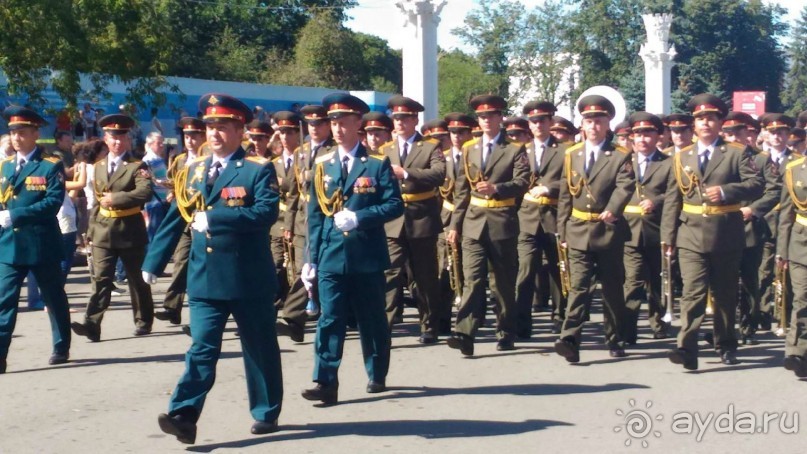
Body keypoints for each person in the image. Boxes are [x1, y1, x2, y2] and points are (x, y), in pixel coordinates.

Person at [143, 93, 283, 442]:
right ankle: (184, 414)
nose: (215, 134)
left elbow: (265, 213)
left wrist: (217, 217)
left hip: (246, 276)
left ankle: (265, 410)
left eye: (223, 127)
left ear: (240, 131)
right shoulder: (192, 170)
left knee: (259, 347)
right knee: (202, 348)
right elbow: (176, 218)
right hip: (205, 277)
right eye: (211, 127)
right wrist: (153, 262)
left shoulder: (257, 170)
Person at [301, 93, 403, 405]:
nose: (338, 128)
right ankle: (325, 382)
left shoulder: (376, 163)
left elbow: (394, 205)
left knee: (372, 319)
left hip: (366, 255)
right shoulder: (322, 165)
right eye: (333, 122)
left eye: (344, 122)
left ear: (358, 123)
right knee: (330, 318)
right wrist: (310, 259)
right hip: (332, 254)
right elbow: (315, 216)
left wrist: (360, 217)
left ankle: (376, 372)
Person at [661, 94, 764, 370]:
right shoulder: (681, 156)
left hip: (726, 233)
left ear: (720, 122)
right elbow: (673, 198)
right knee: (692, 294)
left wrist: (727, 191)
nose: (705, 123)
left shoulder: (736, 152)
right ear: (694, 125)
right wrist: (667, 237)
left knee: (725, 294)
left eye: (711, 118)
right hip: (690, 234)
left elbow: (757, 184)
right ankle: (686, 347)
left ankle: (726, 343)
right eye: (700, 119)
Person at [446, 95, 531, 355]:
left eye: (491, 116)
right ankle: (465, 333)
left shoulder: (514, 149)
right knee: (472, 279)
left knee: (502, 283)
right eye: (482, 117)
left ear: (500, 118)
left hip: (501, 221)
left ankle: (505, 330)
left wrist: (497, 188)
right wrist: (454, 224)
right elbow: (461, 190)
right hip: (473, 222)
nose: (486, 121)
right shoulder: (470, 148)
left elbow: (523, 181)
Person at [554, 95, 635, 363]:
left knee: (612, 288)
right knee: (579, 287)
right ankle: (570, 338)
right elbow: (565, 194)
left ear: (608, 123)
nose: (593, 126)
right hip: (578, 229)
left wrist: (613, 208)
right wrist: (562, 231)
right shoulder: (571, 154)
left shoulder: (620, 155)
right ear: (582, 124)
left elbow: (625, 185)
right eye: (589, 121)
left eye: (599, 121)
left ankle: (615, 337)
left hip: (608, 230)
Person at [71, 114, 155, 341]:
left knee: (137, 280)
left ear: (128, 140)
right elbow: (97, 202)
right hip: (102, 231)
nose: (117, 142)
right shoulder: (97, 167)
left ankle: (144, 320)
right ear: (105, 139)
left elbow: (145, 192)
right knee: (101, 279)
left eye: (122, 137)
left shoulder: (138, 166)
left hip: (130, 231)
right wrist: (89, 231)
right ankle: (92, 325)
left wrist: (116, 198)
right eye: (112, 137)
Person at [0, 106, 72, 373]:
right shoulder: (5, 166)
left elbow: (52, 203)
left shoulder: (50, 165)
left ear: (35, 134)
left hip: (41, 243)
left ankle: (61, 345)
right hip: (9, 244)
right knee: (3, 300)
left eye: (21, 132)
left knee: (53, 298)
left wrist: (15, 215)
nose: (16, 137)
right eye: (13, 132)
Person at [378, 95, 446, 342]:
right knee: (390, 273)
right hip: (393, 220)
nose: (399, 123)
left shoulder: (430, 146)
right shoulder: (386, 149)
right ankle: (384, 325)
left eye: (404, 118)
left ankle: (429, 325)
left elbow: (439, 174)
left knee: (424, 276)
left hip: (421, 218)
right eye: (395, 118)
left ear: (414, 120)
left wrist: (405, 173)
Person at [276, 105, 335, 342]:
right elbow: (292, 193)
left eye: (319, 123)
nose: (315, 128)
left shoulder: (336, 151)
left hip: (327, 218)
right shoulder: (301, 151)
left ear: (328, 125)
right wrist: (288, 223)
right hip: (303, 221)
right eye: (311, 124)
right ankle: (293, 319)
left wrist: (315, 176)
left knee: (325, 273)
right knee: (304, 270)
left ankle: (333, 315)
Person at [514, 101, 569, 338]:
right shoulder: (519, 150)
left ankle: (560, 317)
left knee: (558, 271)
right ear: (529, 124)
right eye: (534, 121)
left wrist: (549, 188)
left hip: (555, 216)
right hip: (527, 218)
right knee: (526, 270)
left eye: (543, 121)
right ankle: (522, 321)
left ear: (550, 123)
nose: (538, 125)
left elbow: (572, 181)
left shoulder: (566, 150)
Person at [621, 112, 673, 342]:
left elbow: (675, 194)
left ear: (658, 136)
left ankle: (658, 323)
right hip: (628, 231)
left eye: (648, 133)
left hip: (656, 230)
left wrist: (656, 202)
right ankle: (627, 327)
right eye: (638, 134)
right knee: (633, 280)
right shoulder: (623, 162)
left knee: (658, 281)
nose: (642, 139)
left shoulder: (669, 163)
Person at [153, 117, 208, 326]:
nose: (191, 140)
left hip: (205, 219)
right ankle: (172, 306)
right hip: (184, 219)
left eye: (195, 135)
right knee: (181, 260)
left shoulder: (208, 159)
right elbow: (176, 182)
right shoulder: (180, 160)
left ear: (203, 136)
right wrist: (170, 189)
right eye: (187, 136)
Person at [776, 144, 807, 378]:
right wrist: (782, 251)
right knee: (802, 298)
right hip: (801, 243)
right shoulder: (794, 169)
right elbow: (786, 213)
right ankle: (796, 352)